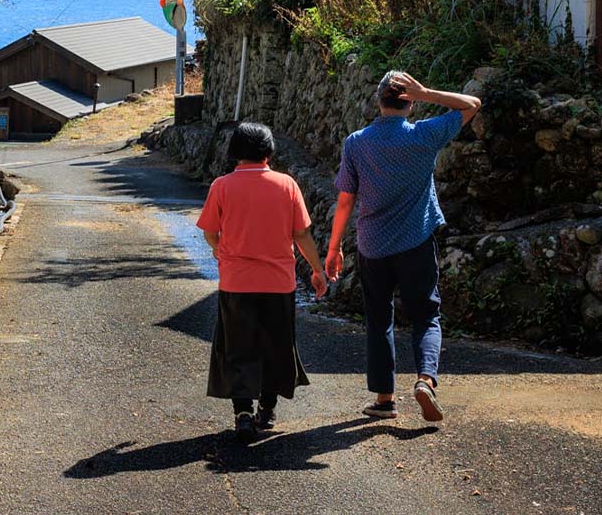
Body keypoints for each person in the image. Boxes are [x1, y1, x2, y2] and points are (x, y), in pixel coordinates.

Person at [325, 70, 481, 423]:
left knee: (379, 320)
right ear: (409, 103)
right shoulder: (425, 135)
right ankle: (425, 380)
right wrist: (426, 92)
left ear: (378, 101)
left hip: (373, 246)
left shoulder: (356, 142)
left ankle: (384, 399)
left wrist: (333, 248)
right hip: (416, 241)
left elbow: (346, 199)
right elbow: (472, 104)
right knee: (426, 314)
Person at [197, 122, 327, 442]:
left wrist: (220, 251)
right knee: (275, 348)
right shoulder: (287, 185)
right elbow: (302, 234)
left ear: (235, 153)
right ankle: (266, 411)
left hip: (236, 283)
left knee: (237, 348)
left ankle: (242, 413)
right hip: (278, 284)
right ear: (269, 152)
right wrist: (317, 270)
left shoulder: (222, 187)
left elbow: (210, 232)